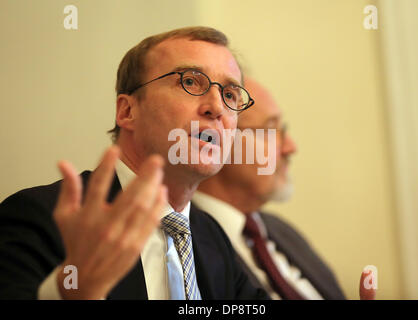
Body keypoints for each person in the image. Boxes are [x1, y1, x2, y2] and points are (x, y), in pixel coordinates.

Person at [0, 27, 268, 300]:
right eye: (190, 82)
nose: (217, 108)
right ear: (127, 111)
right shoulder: (40, 217)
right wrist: (72, 292)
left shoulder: (211, 236)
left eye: (231, 95)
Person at [192, 77, 346, 300]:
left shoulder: (282, 232)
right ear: (215, 141)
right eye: (271, 129)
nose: (290, 147)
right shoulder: (182, 245)